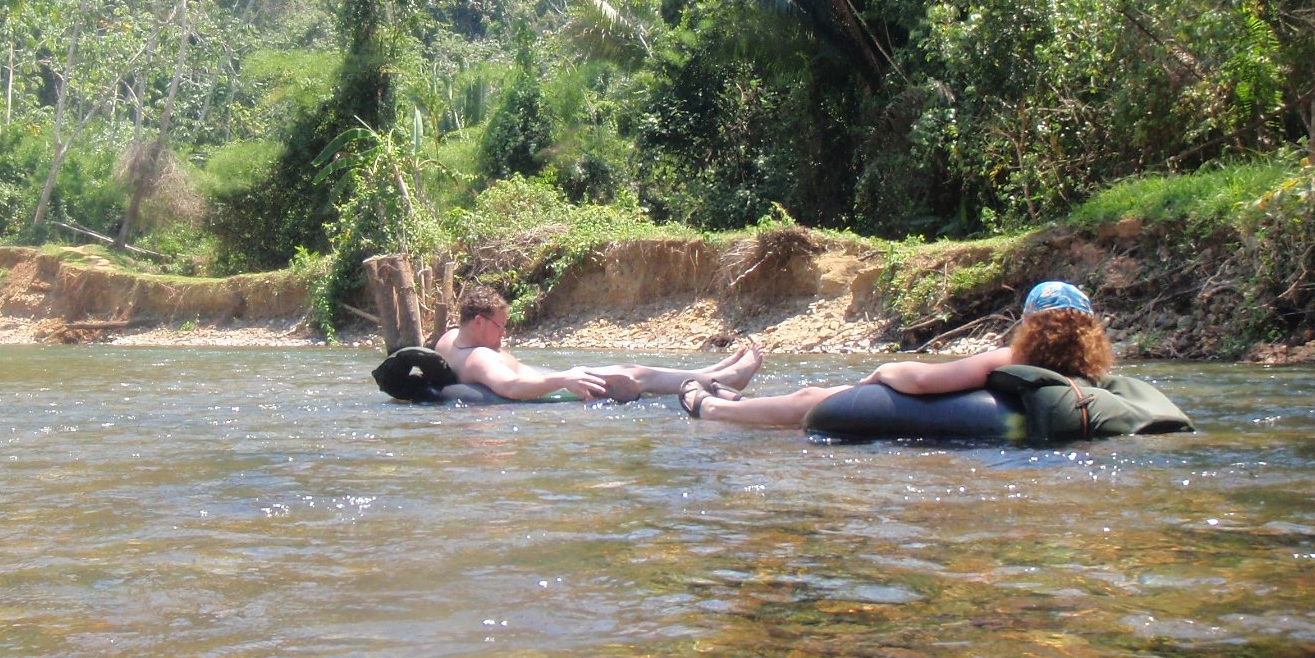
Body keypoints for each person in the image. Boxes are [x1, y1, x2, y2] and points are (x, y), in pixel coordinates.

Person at [680, 279, 1112, 427]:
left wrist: (884, 371)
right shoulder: (1091, 377)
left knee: (811, 397)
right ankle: (739, 399)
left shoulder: (1013, 359)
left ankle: (712, 409)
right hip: (990, 420)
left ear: (1029, 324)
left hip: (936, 414)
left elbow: (922, 381)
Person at [435, 284, 763, 403]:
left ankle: (710, 372)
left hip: (552, 377)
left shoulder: (450, 338)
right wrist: (564, 379)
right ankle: (724, 379)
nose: (504, 334)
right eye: (500, 326)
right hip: (557, 385)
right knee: (636, 374)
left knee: (633, 369)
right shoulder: (479, 357)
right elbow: (512, 386)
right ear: (479, 322)